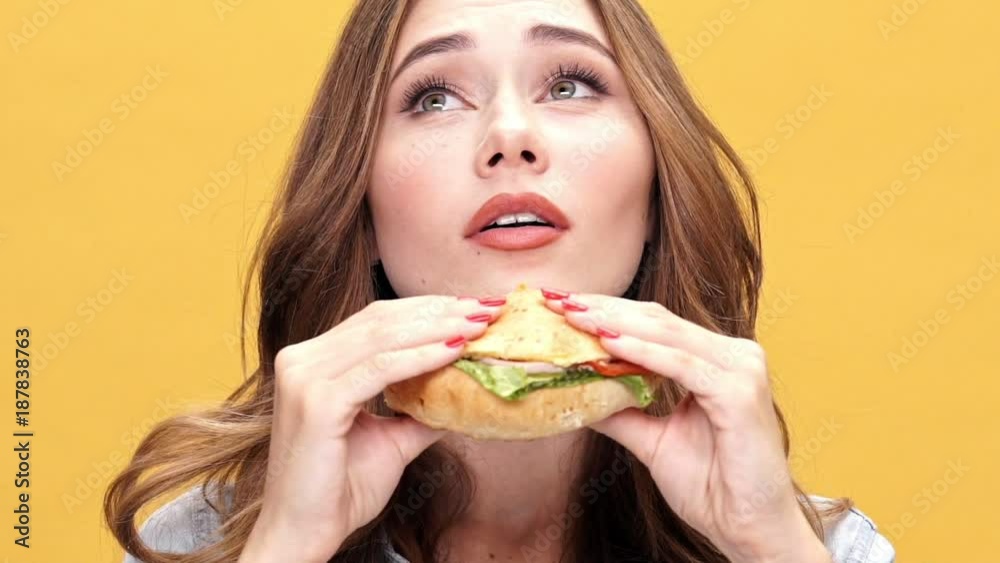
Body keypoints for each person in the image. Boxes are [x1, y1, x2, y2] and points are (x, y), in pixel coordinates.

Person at [106, 0, 897, 561]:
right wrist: (286, 549)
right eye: (435, 96)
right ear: (363, 208)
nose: (510, 136)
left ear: (657, 192)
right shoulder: (206, 546)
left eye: (571, 84)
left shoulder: (818, 549)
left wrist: (768, 547)